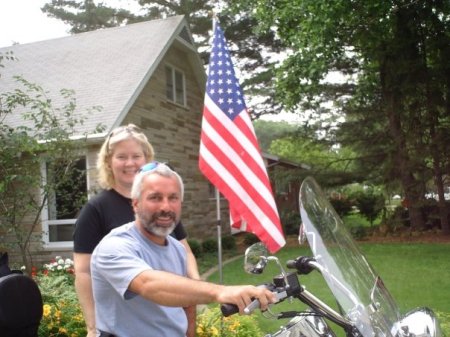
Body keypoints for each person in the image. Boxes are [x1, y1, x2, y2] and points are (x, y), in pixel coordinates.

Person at [91, 162, 276, 337]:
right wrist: (220, 292)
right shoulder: (114, 246)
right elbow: (149, 285)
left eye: (173, 198)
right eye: (155, 197)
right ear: (136, 203)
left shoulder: (177, 249)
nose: (166, 206)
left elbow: (187, 301)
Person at [73, 124, 199, 337]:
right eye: (122, 156)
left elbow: (184, 251)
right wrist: (92, 326)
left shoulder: (161, 205)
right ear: (109, 162)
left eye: (136, 156)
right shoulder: (96, 209)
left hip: (168, 320)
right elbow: (84, 271)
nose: (130, 163)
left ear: (146, 159)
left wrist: (194, 289)